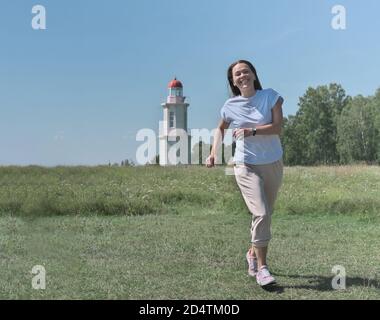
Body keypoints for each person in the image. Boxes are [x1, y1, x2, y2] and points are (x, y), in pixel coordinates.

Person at [206, 59, 284, 287]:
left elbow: (278, 127)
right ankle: (263, 269)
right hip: (245, 164)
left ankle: (251, 253)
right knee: (261, 212)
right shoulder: (230, 105)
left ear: (253, 74)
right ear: (233, 80)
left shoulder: (270, 96)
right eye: (237, 74)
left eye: (246, 71)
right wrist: (213, 154)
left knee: (265, 213)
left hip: (273, 162)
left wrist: (252, 131)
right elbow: (220, 129)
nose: (242, 76)